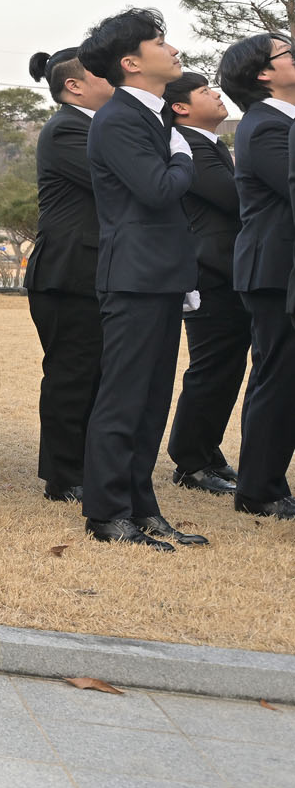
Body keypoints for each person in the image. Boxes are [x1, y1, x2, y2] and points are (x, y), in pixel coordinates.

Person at [77, 8, 202, 551]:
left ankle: (141, 507)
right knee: (124, 399)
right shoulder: (120, 119)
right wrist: (183, 154)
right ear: (131, 62)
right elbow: (158, 189)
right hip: (133, 277)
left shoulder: (153, 115)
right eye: (160, 41)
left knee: (151, 403)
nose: (172, 49)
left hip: (158, 274)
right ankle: (107, 515)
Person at [24, 47, 109, 502]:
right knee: (72, 376)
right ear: (74, 86)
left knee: (92, 374)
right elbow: (114, 181)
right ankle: (64, 475)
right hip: (68, 273)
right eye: (103, 73)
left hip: (89, 271)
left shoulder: (94, 127)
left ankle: (85, 467)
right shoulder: (67, 129)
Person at [220, 33, 295, 519]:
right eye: (289, 53)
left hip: (278, 268)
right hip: (275, 270)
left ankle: (260, 482)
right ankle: (259, 490)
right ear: (263, 74)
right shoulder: (266, 125)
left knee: (278, 375)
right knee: (280, 378)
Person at [165, 72, 243, 494]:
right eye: (204, 91)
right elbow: (234, 198)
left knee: (226, 367)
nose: (216, 94)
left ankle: (207, 453)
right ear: (180, 108)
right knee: (212, 368)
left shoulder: (209, 144)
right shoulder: (189, 145)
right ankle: (191, 462)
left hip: (226, 269)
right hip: (209, 272)